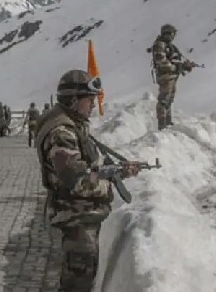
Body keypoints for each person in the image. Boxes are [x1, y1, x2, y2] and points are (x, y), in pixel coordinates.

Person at [34, 69, 140, 292]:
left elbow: (86, 167)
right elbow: (76, 179)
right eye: (89, 100)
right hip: (76, 218)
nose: (93, 105)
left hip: (80, 216)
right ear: (73, 101)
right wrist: (108, 183)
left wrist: (117, 171)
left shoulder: (72, 125)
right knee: (77, 284)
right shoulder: (62, 131)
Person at [151, 24, 197, 130]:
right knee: (164, 99)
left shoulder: (169, 46)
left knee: (169, 99)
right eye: (172, 34)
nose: (173, 36)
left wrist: (185, 65)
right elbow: (162, 62)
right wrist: (177, 67)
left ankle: (167, 122)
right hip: (165, 76)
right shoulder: (160, 45)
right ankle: (162, 124)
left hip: (171, 76)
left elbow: (176, 59)